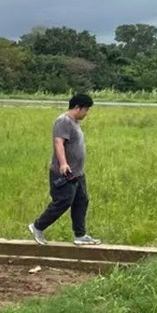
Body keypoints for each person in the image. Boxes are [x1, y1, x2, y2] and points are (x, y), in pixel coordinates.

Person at [29, 93, 101, 246]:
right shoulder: (63, 121)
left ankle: (80, 235)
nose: (86, 113)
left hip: (77, 173)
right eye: (85, 110)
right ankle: (37, 226)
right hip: (64, 173)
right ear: (77, 107)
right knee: (63, 201)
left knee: (82, 201)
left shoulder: (74, 122)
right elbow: (58, 143)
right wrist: (63, 164)